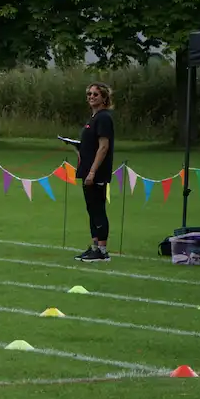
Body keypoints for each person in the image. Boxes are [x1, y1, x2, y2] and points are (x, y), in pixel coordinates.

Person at [74, 82, 115, 263]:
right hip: (87, 169)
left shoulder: (104, 118)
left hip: (96, 172)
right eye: (89, 94)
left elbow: (103, 147)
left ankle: (102, 250)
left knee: (98, 209)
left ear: (104, 98)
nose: (91, 97)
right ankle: (95, 246)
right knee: (91, 209)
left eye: (95, 94)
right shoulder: (93, 118)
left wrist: (92, 172)